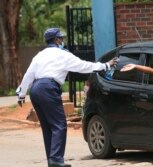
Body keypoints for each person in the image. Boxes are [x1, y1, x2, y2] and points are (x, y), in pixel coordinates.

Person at [15, 28, 118, 167]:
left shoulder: (39, 55)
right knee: (59, 124)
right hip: (48, 88)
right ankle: (56, 160)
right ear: (57, 40)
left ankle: (52, 159)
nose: (62, 41)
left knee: (48, 127)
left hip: (35, 90)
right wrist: (105, 65)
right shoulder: (63, 55)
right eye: (61, 38)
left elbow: (28, 74)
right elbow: (84, 66)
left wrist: (21, 94)